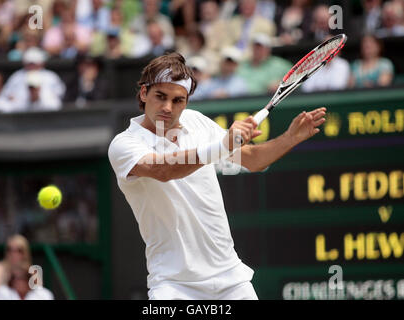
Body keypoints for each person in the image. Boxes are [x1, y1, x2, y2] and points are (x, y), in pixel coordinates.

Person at [107, 52, 326, 300]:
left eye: (178, 100)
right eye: (160, 97)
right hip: (174, 286)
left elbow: (252, 160)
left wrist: (290, 138)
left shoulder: (197, 122)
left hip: (231, 279)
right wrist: (222, 146)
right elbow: (163, 170)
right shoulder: (124, 144)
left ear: (187, 102)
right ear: (144, 93)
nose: (168, 108)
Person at [2, 47, 66, 107]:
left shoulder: (51, 76)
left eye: (34, 64)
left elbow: (59, 94)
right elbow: (7, 95)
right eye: (29, 64)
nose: (32, 66)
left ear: (41, 63)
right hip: (21, 112)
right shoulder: (17, 76)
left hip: (46, 112)